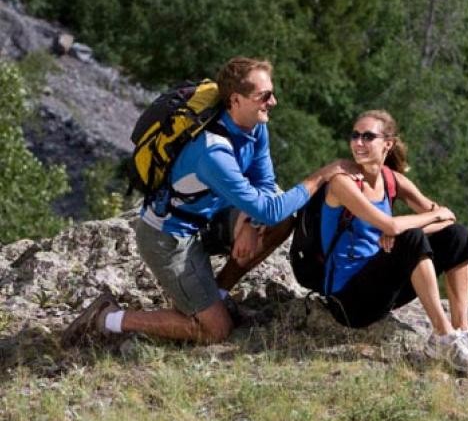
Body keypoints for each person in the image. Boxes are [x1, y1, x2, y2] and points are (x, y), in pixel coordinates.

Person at [62, 57, 351, 346]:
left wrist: (250, 222)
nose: (272, 101)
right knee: (216, 330)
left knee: (282, 221)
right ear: (236, 100)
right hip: (169, 239)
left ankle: (218, 293)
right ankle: (107, 317)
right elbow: (268, 206)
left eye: (272, 93)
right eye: (264, 96)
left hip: (208, 217)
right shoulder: (212, 153)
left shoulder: (254, 126)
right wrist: (320, 177)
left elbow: (264, 186)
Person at [312, 109, 468, 371]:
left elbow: (448, 221)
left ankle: (461, 333)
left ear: (388, 144)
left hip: (381, 288)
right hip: (349, 301)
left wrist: (408, 229)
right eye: (354, 136)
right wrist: (405, 228)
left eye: (367, 136)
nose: (358, 142)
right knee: (411, 236)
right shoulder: (343, 182)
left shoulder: (391, 180)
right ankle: (443, 338)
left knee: (457, 236)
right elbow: (395, 224)